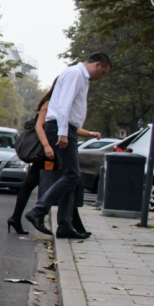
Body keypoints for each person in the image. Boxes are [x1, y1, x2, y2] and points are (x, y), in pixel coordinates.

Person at [23, 52, 112, 238]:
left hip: (64, 128)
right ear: (96, 65)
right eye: (103, 72)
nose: (101, 77)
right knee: (72, 175)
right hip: (61, 128)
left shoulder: (79, 76)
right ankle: (38, 212)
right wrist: (63, 132)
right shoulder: (76, 74)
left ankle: (64, 225)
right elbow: (64, 105)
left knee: (70, 177)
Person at [8, 85, 101, 235]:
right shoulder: (50, 103)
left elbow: (71, 128)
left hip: (56, 150)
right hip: (48, 152)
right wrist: (46, 146)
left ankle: (16, 218)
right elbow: (40, 126)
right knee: (66, 182)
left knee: (61, 183)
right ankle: (71, 224)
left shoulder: (61, 103)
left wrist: (90, 133)